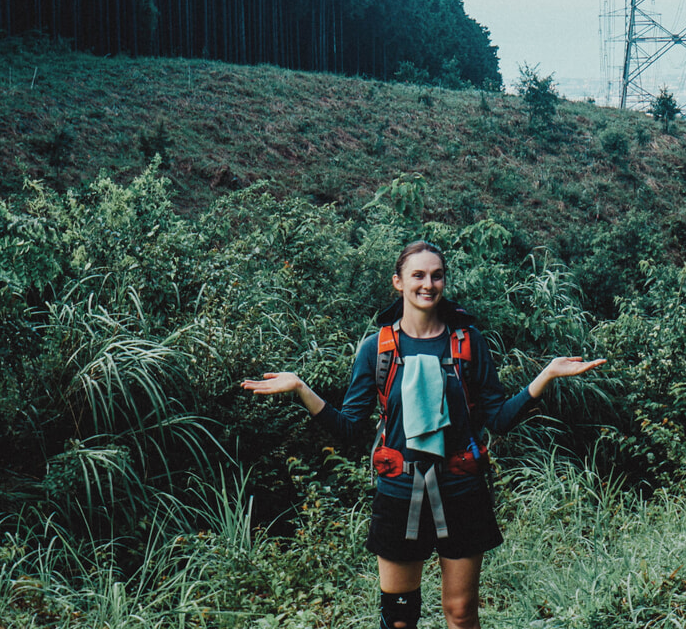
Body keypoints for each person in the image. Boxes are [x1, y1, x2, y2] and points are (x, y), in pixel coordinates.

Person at [242, 240, 604, 629]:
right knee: (398, 618)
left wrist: (545, 375)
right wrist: (300, 388)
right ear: (398, 282)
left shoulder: (468, 343)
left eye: (436, 275)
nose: (428, 284)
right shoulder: (376, 349)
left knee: (462, 613)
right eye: (418, 275)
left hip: (462, 492)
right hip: (399, 494)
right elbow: (349, 427)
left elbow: (497, 419)